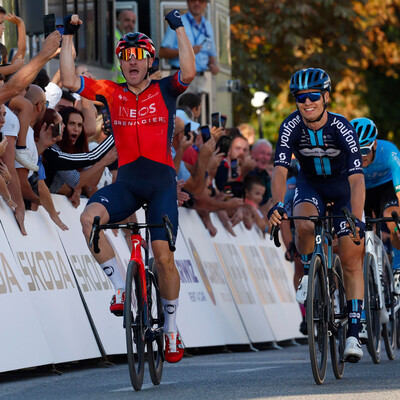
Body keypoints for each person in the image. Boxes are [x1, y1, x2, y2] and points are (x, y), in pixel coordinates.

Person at [60, 12, 195, 363]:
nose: (132, 62)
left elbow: (190, 73)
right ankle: (121, 287)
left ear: (149, 62)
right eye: (125, 56)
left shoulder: (165, 89)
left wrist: (178, 27)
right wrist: (70, 35)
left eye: (139, 57)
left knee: (164, 258)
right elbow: (71, 78)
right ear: (120, 62)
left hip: (161, 183)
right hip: (129, 183)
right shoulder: (111, 92)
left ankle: (171, 328)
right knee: (89, 219)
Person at [268, 68, 365, 362]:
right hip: (311, 186)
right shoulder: (290, 126)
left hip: (342, 190)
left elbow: (357, 179)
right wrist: (276, 203)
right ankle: (310, 273)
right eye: (300, 97)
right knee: (303, 223)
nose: (306, 102)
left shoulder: (341, 126)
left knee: (351, 257)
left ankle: (354, 333)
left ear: (325, 96)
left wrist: (357, 218)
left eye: (312, 96)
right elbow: (280, 170)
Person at [350, 117, 400, 295]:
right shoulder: (345, 155)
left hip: (385, 188)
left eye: (364, 150)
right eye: (355, 151)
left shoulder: (389, 153)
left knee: (395, 220)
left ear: (375, 145)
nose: (360, 156)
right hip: (360, 188)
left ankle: (397, 268)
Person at [159, 0, 219, 93]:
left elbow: (211, 56)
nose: (197, 3)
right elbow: (162, 52)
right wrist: (188, 51)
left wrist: (213, 66)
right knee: (180, 107)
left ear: (206, 4)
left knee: (195, 108)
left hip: (201, 79)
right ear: (187, 2)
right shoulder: (178, 22)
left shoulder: (208, 26)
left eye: (201, 1)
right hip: (180, 78)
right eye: (193, 0)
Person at [114, 9, 137, 83]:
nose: (130, 24)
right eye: (127, 20)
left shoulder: (128, 40)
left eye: (133, 22)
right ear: (118, 21)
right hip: (115, 85)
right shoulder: (114, 37)